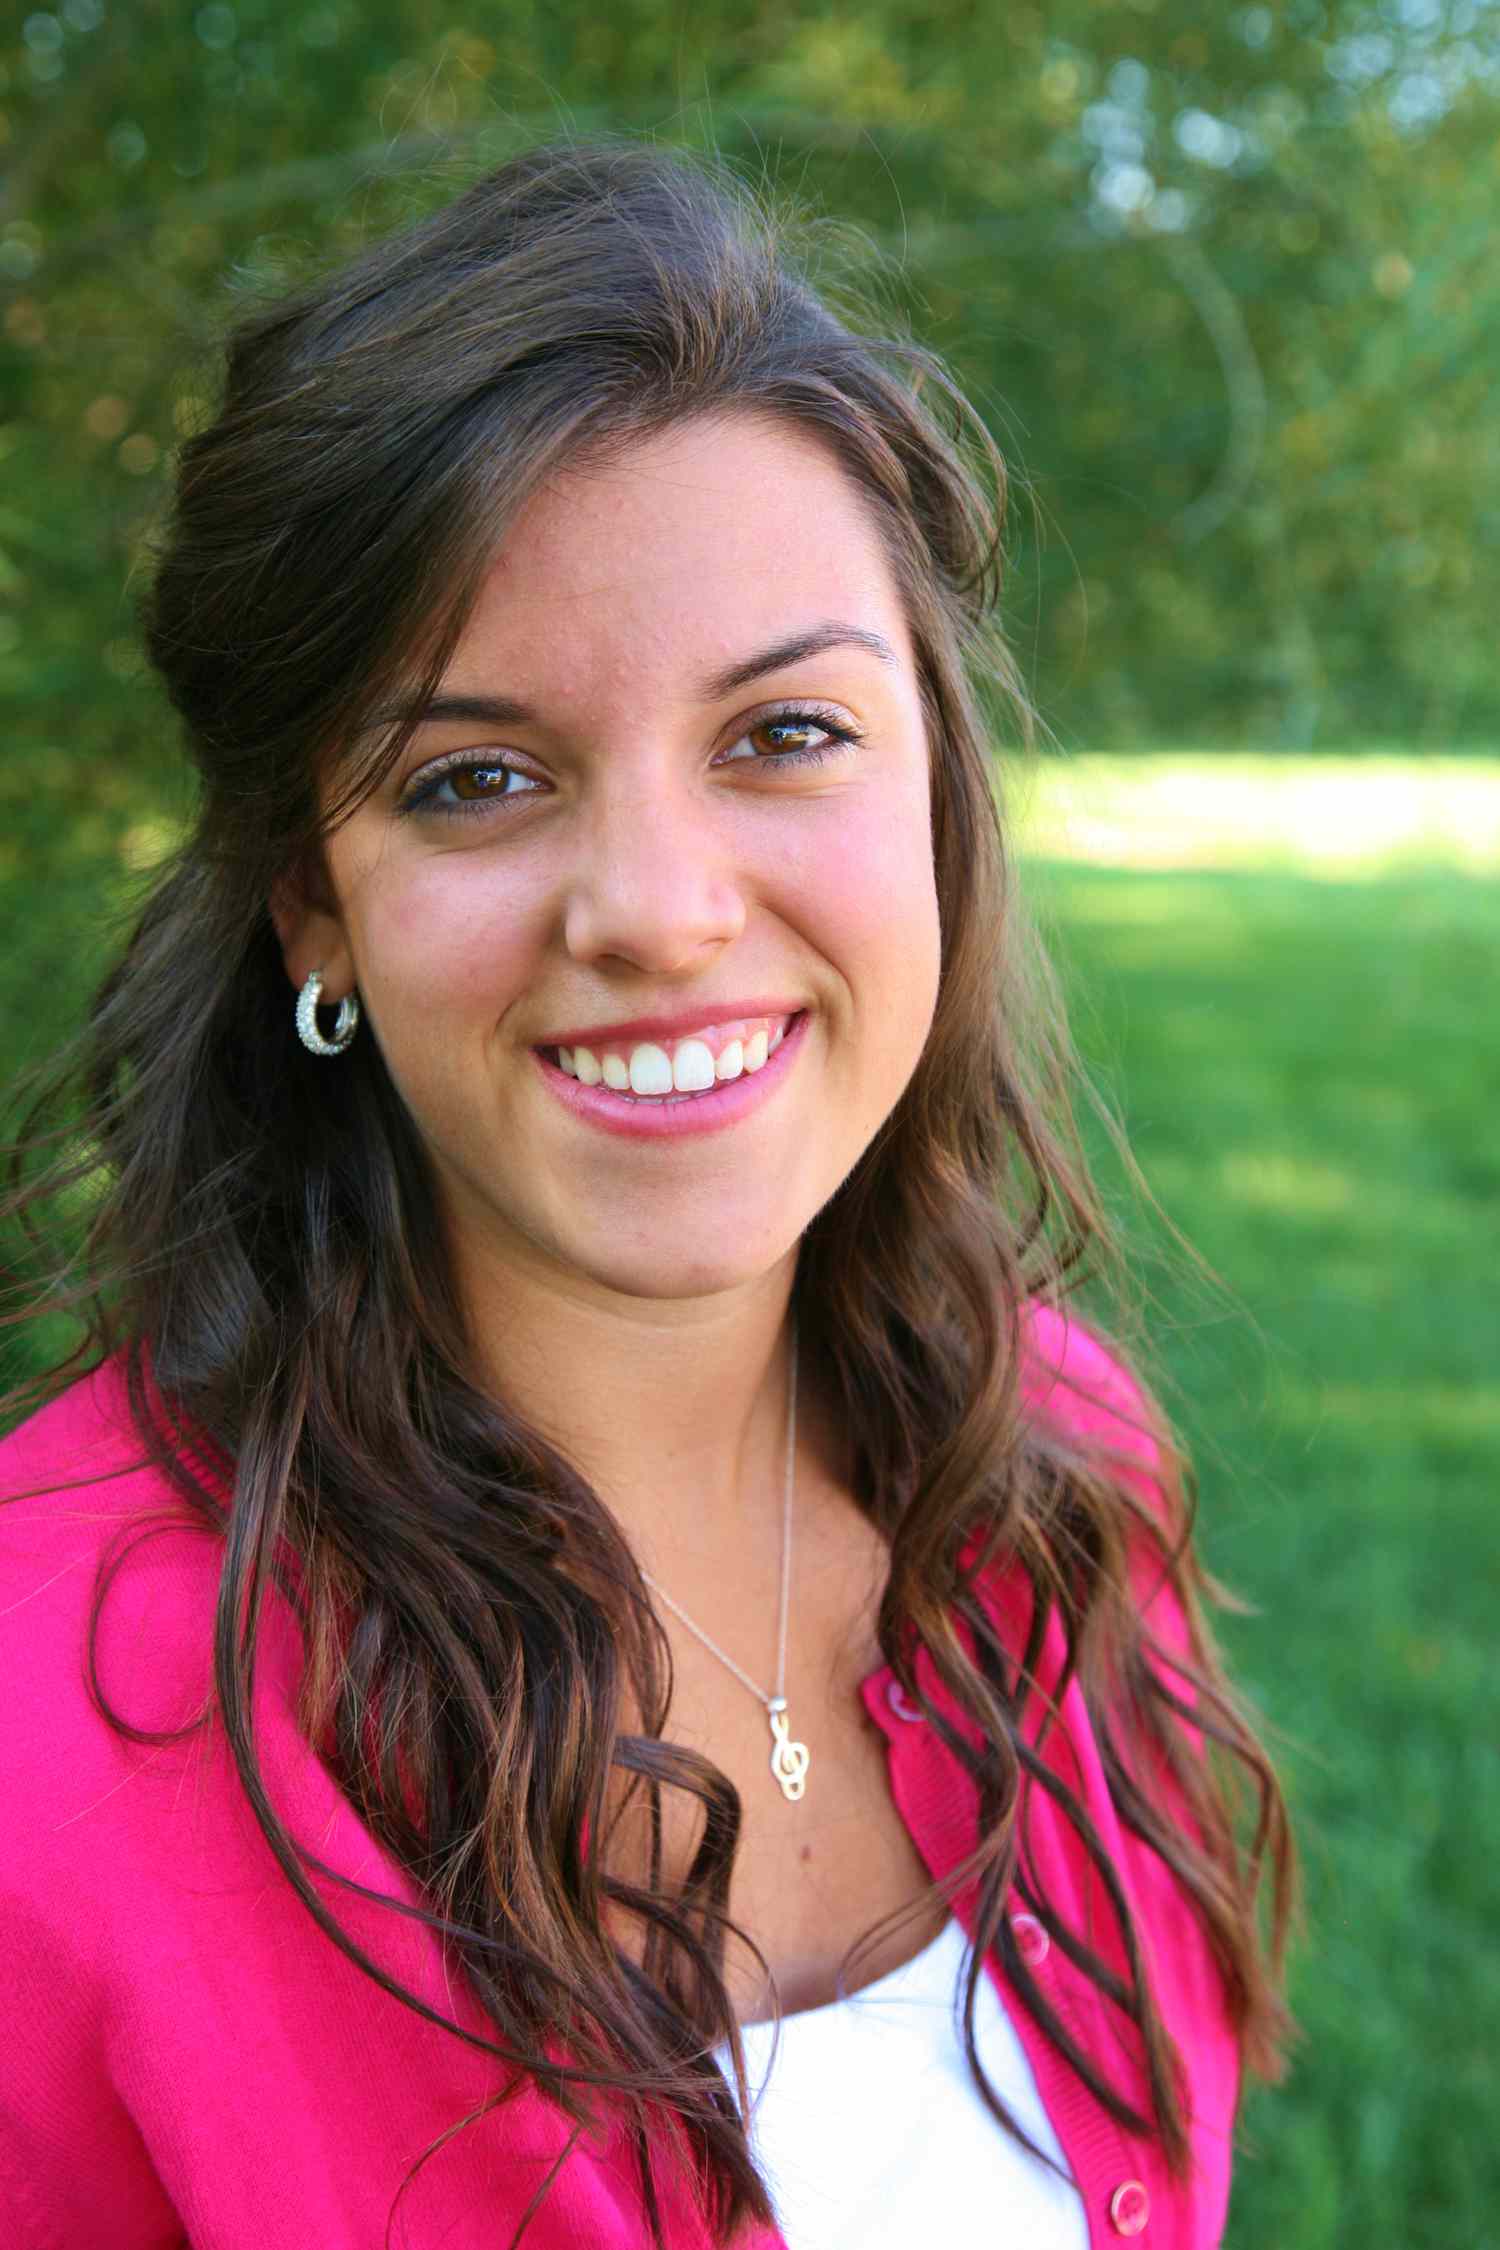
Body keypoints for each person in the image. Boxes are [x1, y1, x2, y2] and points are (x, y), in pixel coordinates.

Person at [0, 135, 1293, 2249]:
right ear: (314, 901)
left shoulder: (1066, 1474)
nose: (663, 913)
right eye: (478, 779)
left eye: (784, 734)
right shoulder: (36, 1739)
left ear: (941, 803)